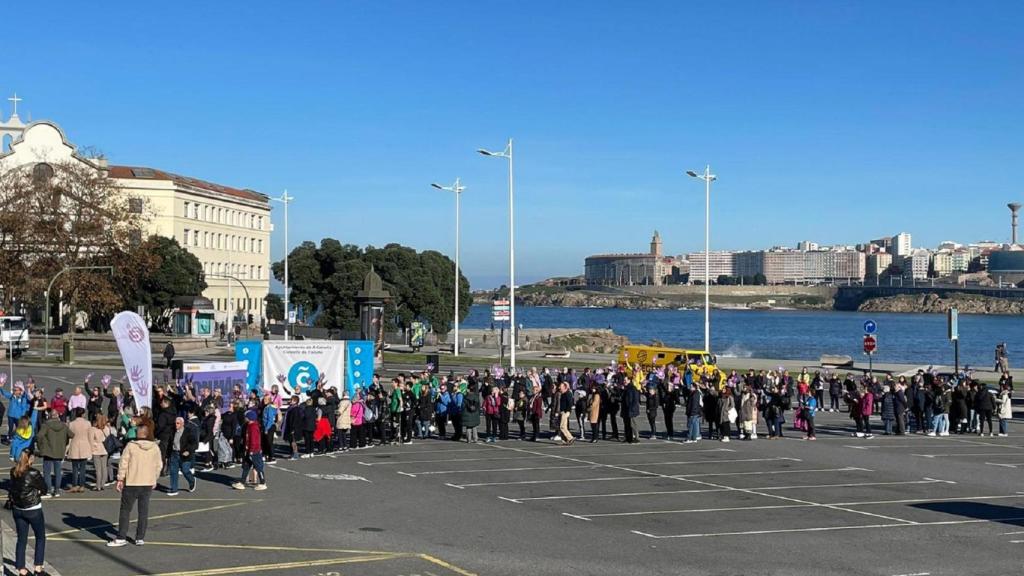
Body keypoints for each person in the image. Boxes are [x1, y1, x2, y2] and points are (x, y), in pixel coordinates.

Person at [107, 425, 163, 547]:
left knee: (125, 510)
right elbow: (158, 465)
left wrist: (120, 478)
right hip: (147, 482)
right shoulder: (154, 447)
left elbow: (123, 463)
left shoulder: (131, 446)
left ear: (138, 434)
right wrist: (154, 478)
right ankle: (140, 537)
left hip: (132, 482)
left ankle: (121, 537)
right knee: (143, 511)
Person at [9, 450, 48, 576]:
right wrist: (38, 492)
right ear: (30, 458)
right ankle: (38, 568)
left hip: (18, 509)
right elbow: (44, 488)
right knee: (40, 537)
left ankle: (21, 570)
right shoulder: (33, 473)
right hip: (33, 508)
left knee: (21, 539)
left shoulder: (13, 471)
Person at [35, 409, 70, 498]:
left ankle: (49, 491)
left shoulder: (46, 425)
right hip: (59, 451)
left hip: (48, 451)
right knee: (58, 472)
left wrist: (40, 447)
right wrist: (64, 443)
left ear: (50, 416)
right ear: (58, 416)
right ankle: (57, 491)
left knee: (47, 472)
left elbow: (39, 436)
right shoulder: (63, 425)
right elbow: (71, 435)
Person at [232, 410, 267, 490]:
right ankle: (242, 482)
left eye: (246, 417)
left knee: (258, 466)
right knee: (246, 466)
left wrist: (251, 450)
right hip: (249, 450)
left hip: (254, 451)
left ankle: (262, 482)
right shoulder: (249, 425)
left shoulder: (253, 427)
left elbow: (254, 440)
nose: (245, 418)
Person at [167, 417, 197, 496]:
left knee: (185, 470)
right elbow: (169, 443)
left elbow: (194, 444)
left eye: (178, 423)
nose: (176, 425)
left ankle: (192, 480)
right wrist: (167, 455)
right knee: (173, 472)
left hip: (184, 454)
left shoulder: (188, 432)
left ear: (182, 424)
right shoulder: (172, 431)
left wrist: (188, 451)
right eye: (175, 423)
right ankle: (174, 489)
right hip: (174, 453)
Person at [65, 408, 91, 491]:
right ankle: (82, 485)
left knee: (75, 468)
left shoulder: (71, 424)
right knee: (83, 468)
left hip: (74, 445)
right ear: (83, 414)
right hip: (84, 446)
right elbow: (89, 436)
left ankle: (74, 485)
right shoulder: (87, 423)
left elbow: (69, 436)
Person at [89, 414, 115, 491]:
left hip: (96, 450)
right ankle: (103, 484)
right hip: (105, 449)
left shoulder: (92, 429)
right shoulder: (106, 428)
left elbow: (90, 441)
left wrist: (91, 450)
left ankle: (98, 485)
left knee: (98, 469)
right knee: (104, 468)